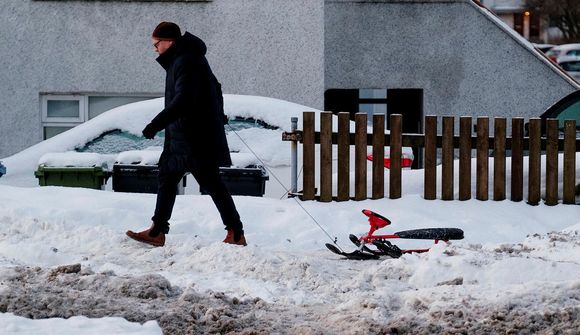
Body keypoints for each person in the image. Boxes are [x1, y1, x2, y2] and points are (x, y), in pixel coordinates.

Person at [126, 22, 246, 247]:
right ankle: (157, 231)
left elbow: (183, 100)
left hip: (194, 139)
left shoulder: (186, 61)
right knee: (168, 179)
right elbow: (214, 88)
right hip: (183, 137)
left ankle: (236, 233)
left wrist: (155, 124)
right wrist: (215, 112)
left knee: (212, 184)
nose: (155, 49)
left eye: (156, 43)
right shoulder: (183, 60)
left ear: (168, 41)